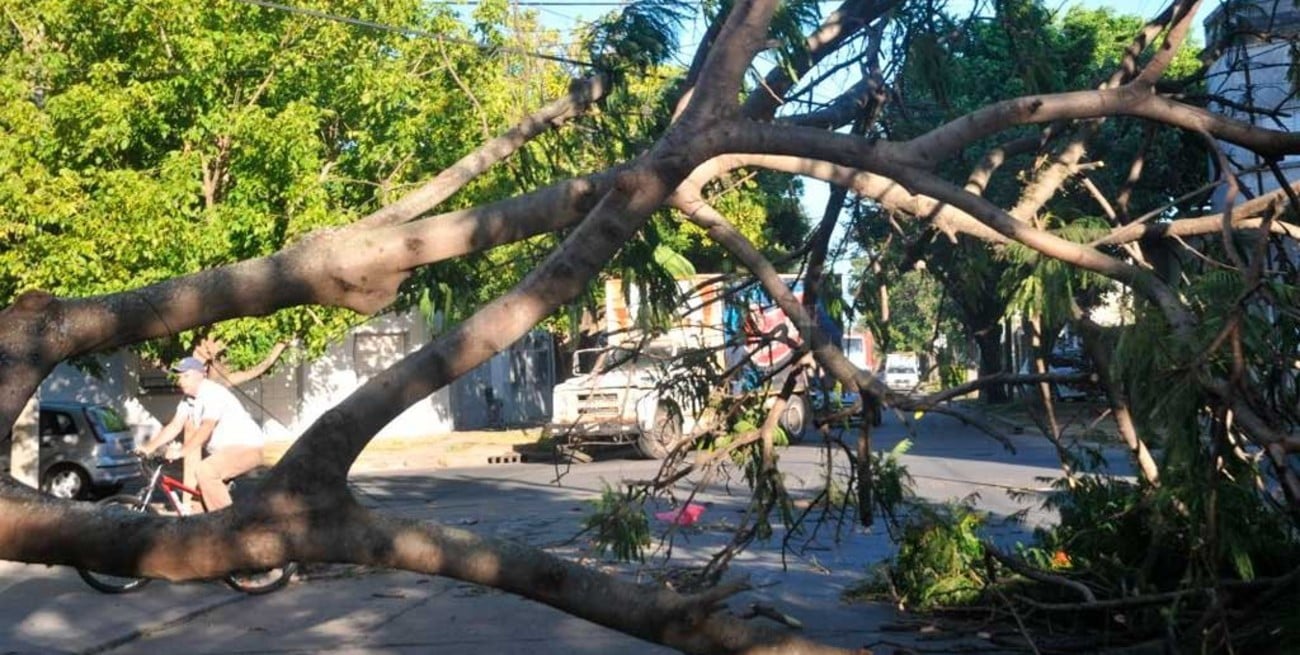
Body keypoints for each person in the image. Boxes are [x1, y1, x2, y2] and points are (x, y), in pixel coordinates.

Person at [135, 356, 264, 512]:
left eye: (186, 376)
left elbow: (207, 427)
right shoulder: (187, 400)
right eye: (179, 377)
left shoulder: (212, 393)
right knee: (196, 503)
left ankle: (229, 526)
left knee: (205, 471)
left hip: (247, 447)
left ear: (201, 374)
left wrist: (181, 452)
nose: (181, 381)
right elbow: (175, 426)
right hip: (223, 453)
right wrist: (149, 448)